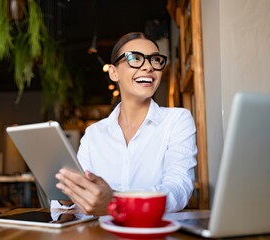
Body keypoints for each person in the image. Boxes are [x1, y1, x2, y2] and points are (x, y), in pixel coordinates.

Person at [53, 32, 197, 216]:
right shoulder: (93, 134)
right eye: (135, 58)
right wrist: (69, 196)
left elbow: (179, 189)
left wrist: (114, 201)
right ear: (114, 73)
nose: (148, 67)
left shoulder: (177, 121)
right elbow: (78, 207)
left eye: (155, 60)